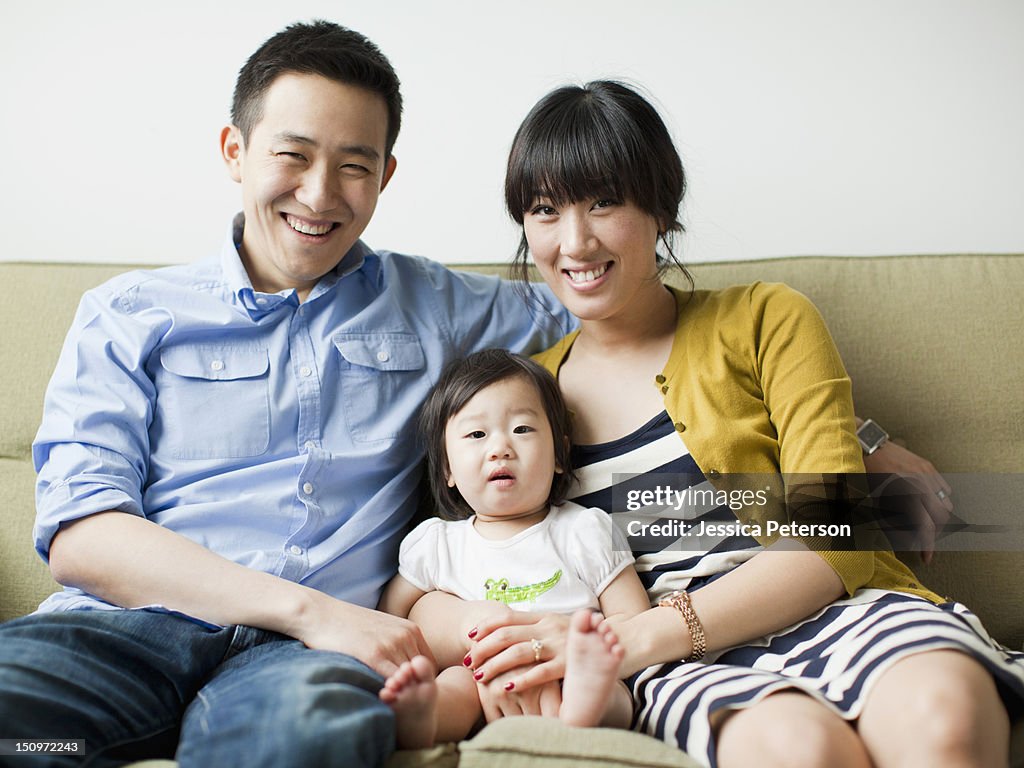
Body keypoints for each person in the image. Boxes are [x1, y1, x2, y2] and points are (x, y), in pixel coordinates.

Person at [0, 21, 572, 768]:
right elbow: (83, 534)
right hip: (126, 631)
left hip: (300, 667)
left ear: (387, 177)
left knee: (300, 745)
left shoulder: (436, 303)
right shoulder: (128, 312)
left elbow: (602, 305)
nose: (319, 194)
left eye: (354, 166)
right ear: (235, 153)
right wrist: (316, 612)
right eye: (293, 156)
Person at [412, 81, 1024, 768]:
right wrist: (508, 636)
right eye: (546, 209)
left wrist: (628, 642)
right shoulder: (520, 402)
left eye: (604, 201)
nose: (575, 241)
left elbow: (836, 538)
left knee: (945, 718)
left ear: (661, 207)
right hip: (688, 673)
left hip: (838, 610)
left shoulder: (766, 318)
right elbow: (443, 566)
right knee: (800, 750)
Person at [376, 348, 648, 747]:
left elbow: (633, 616)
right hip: (481, 678)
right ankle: (427, 716)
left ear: (559, 454)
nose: (500, 447)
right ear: (448, 469)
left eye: (522, 429)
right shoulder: (437, 544)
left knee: (613, 690)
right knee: (455, 682)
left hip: (565, 664)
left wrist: (588, 647)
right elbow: (390, 617)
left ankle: (584, 709)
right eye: (476, 435)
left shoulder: (583, 530)